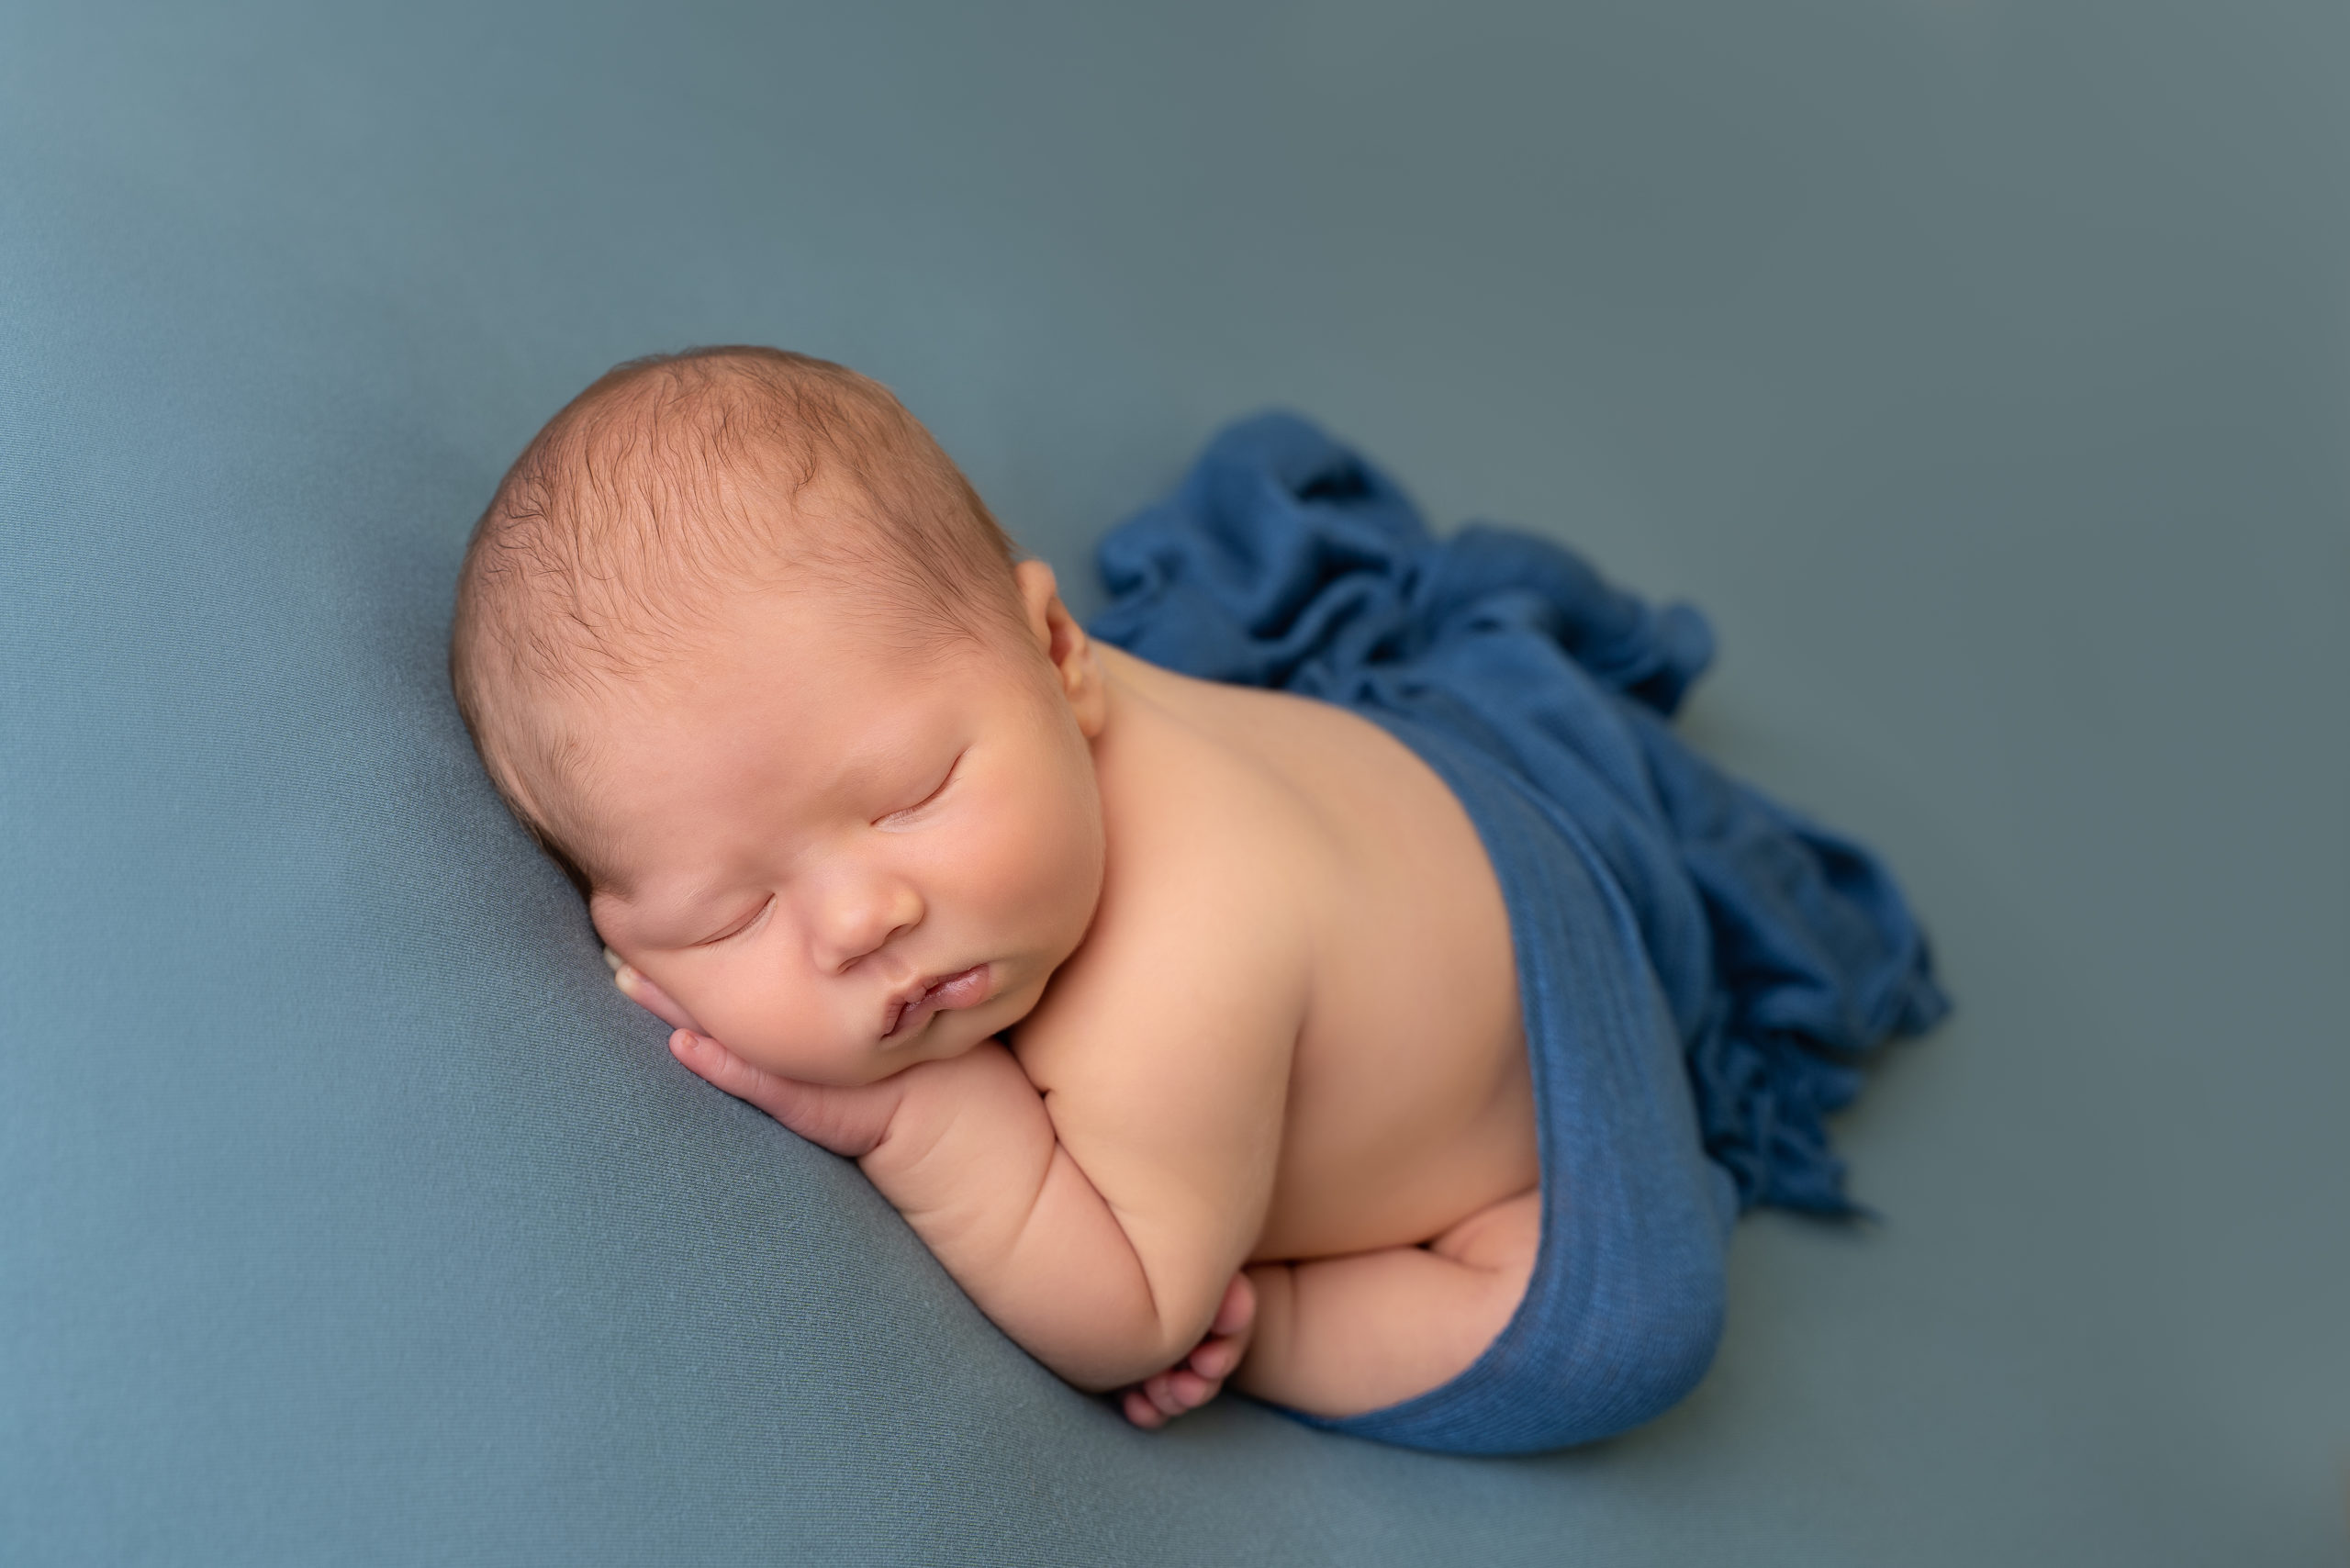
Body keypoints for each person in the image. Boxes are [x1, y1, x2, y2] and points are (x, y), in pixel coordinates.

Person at [448, 345, 1945, 1453]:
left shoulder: (1182, 969)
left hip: (1540, 1008)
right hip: (1393, 801)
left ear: (1058, 652)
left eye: (911, 794)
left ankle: (1298, 1318)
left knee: (1624, 1344)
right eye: (727, 915)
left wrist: (923, 1123)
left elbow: (1131, 1314)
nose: (857, 922)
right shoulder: (996, 745)